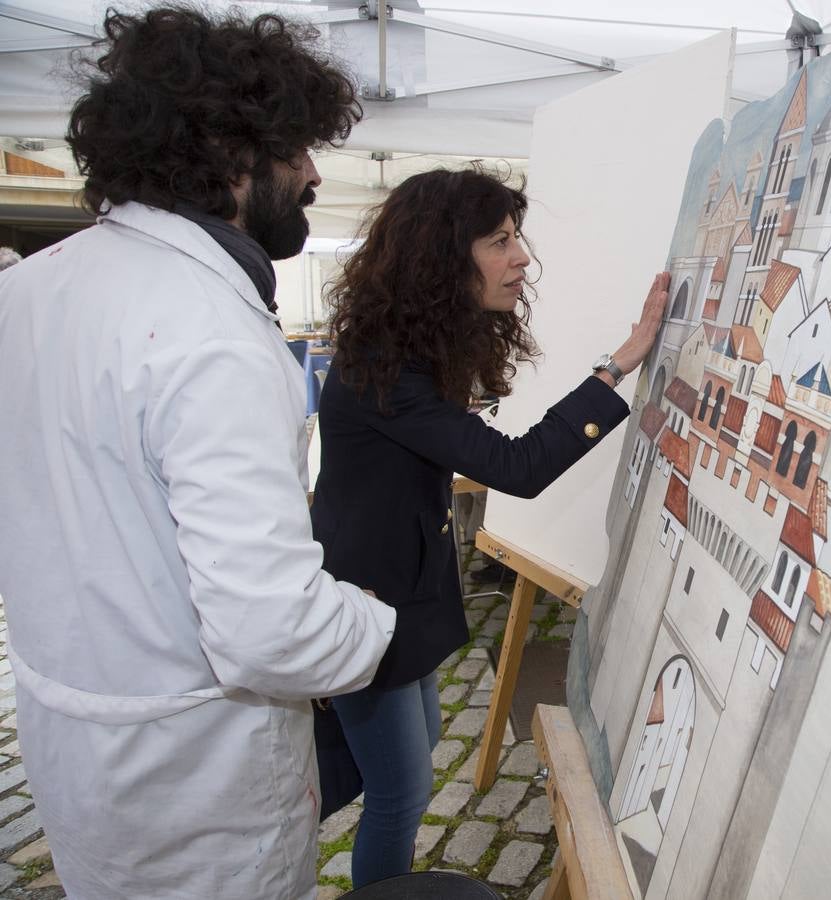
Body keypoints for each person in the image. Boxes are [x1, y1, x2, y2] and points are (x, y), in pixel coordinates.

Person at [0, 7, 401, 898]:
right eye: (296, 148)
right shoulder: (211, 330)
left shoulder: (27, 292)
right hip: (196, 795)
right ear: (230, 155)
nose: (313, 174)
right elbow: (269, 630)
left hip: (83, 749)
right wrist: (367, 620)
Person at [311, 167, 668, 887]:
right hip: (365, 610)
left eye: (517, 238)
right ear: (443, 257)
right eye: (500, 240)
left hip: (396, 600)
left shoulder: (407, 353)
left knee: (425, 744)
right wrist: (622, 360)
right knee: (401, 793)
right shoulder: (385, 370)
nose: (521, 258)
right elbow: (521, 467)